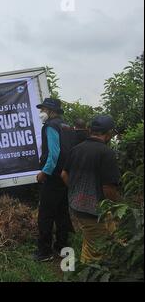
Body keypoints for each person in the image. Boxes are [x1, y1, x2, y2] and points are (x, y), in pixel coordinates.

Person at [61, 115, 120, 264]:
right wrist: (115, 209)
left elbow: (64, 174)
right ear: (109, 133)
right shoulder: (106, 153)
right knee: (98, 252)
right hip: (95, 211)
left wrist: (77, 191)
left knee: (94, 238)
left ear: (89, 130)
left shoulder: (76, 149)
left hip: (77, 206)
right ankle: (90, 273)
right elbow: (108, 188)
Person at [34, 98, 74, 262]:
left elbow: (54, 154)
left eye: (43, 109)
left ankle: (44, 252)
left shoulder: (50, 126)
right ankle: (62, 247)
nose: (41, 113)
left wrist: (45, 172)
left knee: (45, 215)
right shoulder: (66, 126)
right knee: (62, 213)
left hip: (53, 177)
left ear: (51, 111)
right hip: (65, 175)